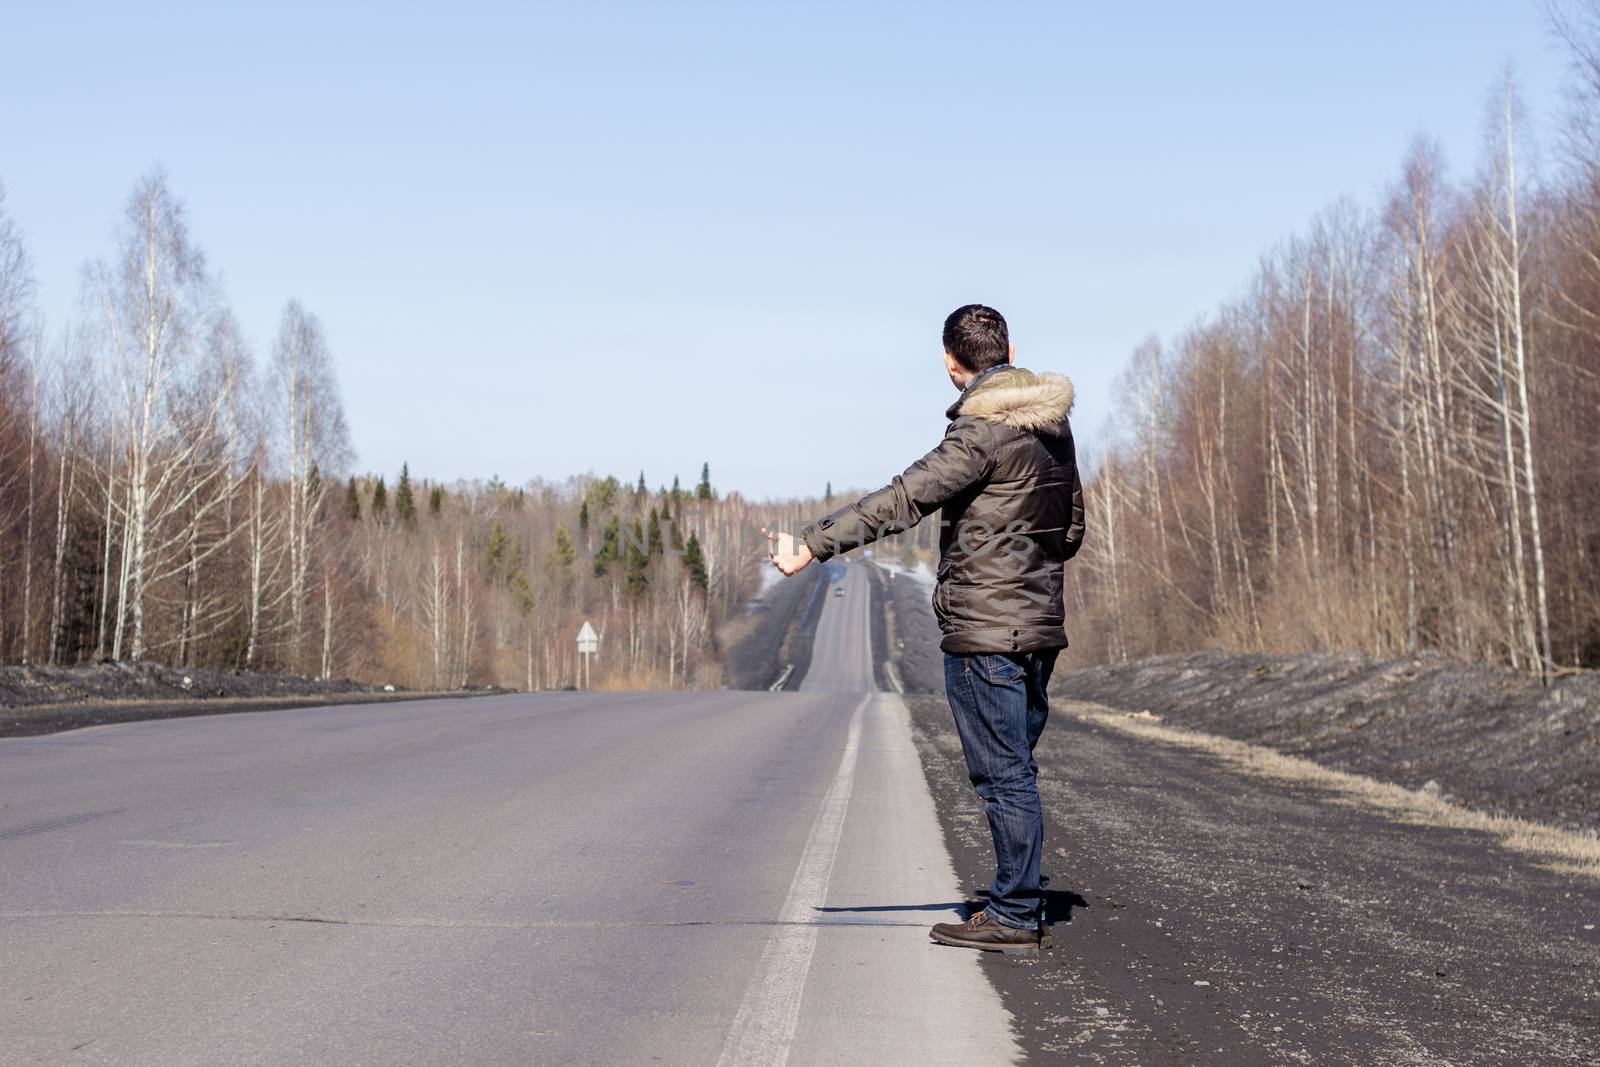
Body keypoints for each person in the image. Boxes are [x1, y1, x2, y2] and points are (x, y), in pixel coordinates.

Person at [765, 303, 1084, 952]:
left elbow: (903, 499)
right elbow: (1070, 529)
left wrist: (811, 545)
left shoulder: (980, 434)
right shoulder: (1054, 429)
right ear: (1009, 347)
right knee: (1015, 766)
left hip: (986, 631)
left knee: (1003, 773)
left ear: (951, 364)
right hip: (1040, 627)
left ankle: (1016, 912)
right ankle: (1014, 898)